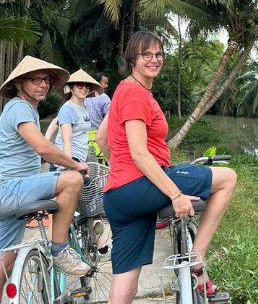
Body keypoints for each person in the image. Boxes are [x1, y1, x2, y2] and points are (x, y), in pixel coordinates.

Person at [102, 32, 238, 304]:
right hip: (139, 185)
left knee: (125, 288)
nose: (154, 59)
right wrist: (175, 194)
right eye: (146, 55)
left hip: (117, 196)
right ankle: (196, 260)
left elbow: (101, 139)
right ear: (132, 59)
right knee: (227, 178)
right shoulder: (134, 92)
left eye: (159, 54)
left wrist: (120, 168)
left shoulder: (122, 89)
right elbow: (140, 153)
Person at [0, 57, 94, 304]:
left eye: (46, 80)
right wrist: (75, 164)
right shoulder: (20, 108)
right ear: (20, 83)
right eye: (35, 79)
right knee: (72, 180)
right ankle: (60, 249)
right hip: (9, 189)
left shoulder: (16, 108)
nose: (42, 85)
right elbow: (42, 148)